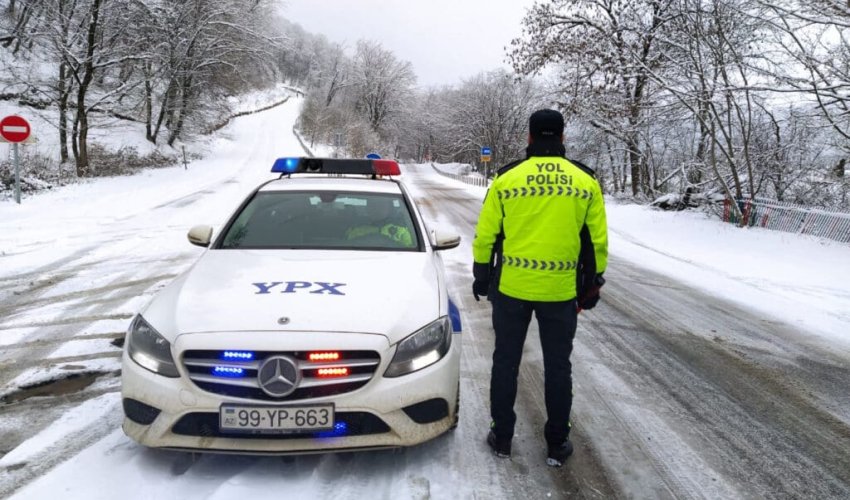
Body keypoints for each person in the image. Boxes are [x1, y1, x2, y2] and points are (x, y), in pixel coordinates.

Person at [471, 109, 608, 467]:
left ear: (529, 138)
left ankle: (502, 437)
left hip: (512, 290)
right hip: (560, 294)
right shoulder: (585, 182)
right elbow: (596, 243)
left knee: (505, 362)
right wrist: (591, 287)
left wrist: (482, 276)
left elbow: (486, 235)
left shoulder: (506, 180)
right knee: (558, 367)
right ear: (562, 138)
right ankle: (557, 444)